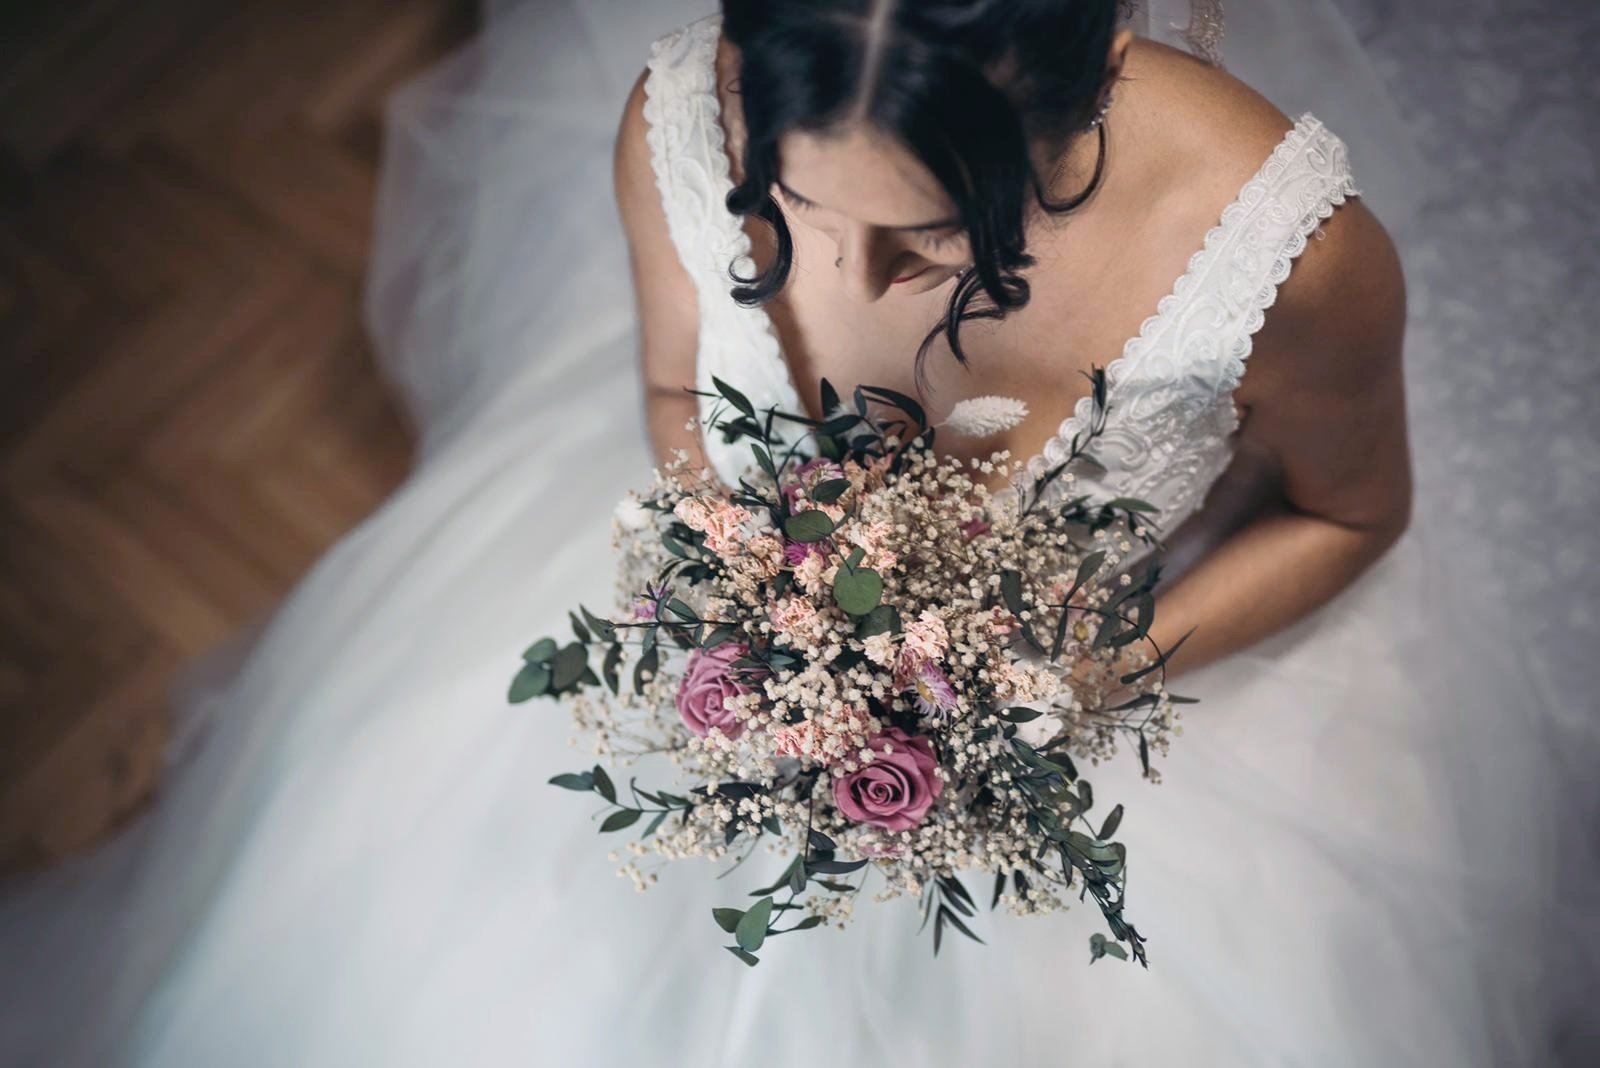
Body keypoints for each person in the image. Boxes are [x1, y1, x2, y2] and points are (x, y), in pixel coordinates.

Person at [1, 2, 1592, 1064]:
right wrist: (754, 576)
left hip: (1141, 701)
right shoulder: (681, 124)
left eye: (929, 237)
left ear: (1095, 74)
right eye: (795, 213)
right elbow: (671, 390)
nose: (850, 278)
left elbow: (1353, 511)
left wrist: (1063, 681)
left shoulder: (1294, 260)